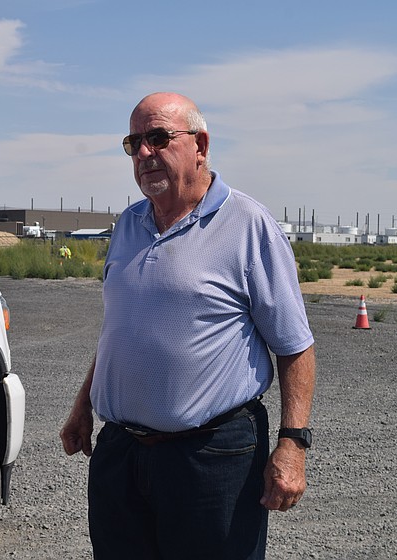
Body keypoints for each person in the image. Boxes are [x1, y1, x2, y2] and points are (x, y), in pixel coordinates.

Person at [60, 92, 316, 559]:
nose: (143, 153)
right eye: (133, 142)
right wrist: (84, 404)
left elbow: (294, 345)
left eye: (158, 138)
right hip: (121, 453)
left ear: (200, 145)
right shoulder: (128, 225)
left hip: (212, 458)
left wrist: (293, 444)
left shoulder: (248, 224)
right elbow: (122, 331)